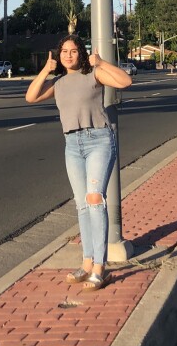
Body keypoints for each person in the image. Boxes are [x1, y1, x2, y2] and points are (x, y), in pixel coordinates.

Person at [25, 33, 132, 292]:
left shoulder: (92, 75)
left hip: (98, 140)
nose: (68, 55)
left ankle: (100, 267)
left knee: (95, 199)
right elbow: (31, 97)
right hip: (72, 145)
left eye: (73, 51)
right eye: (64, 51)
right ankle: (86, 263)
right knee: (82, 205)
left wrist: (101, 62)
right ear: (59, 55)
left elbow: (125, 81)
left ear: (80, 53)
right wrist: (45, 70)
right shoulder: (59, 82)